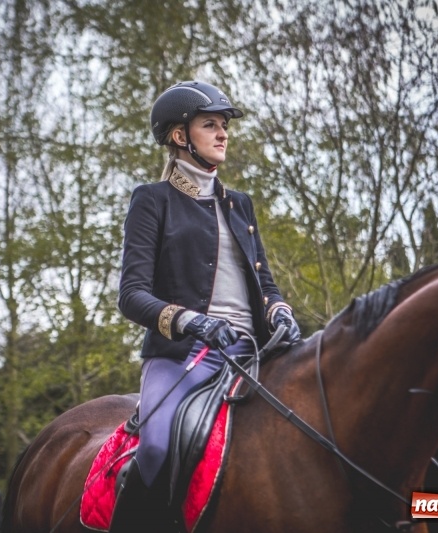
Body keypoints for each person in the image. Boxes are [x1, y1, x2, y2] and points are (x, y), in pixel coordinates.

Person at [113, 80, 302, 531]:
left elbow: (265, 283)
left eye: (225, 126)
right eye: (211, 125)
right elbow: (131, 294)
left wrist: (280, 311)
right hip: (183, 355)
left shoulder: (241, 204)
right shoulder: (152, 200)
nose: (223, 134)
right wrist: (191, 321)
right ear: (180, 136)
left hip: (254, 352)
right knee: (157, 445)